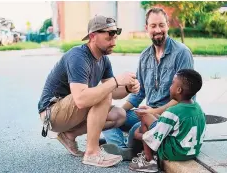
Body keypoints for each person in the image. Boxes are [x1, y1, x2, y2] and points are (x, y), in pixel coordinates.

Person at [38, 15, 140, 168]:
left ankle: (69, 135)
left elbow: (114, 90)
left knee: (119, 115)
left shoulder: (104, 60)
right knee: (103, 93)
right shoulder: (78, 56)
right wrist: (116, 81)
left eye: (115, 36)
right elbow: (81, 100)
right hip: (51, 113)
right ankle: (92, 153)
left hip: (71, 112)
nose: (113, 42)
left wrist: (126, 88)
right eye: (109, 37)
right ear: (92, 36)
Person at [101, 7, 194, 160]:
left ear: (167, 25)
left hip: (170, 116)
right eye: (153, 26)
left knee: (134, 131)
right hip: (148, 113)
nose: (158, 30)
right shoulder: (145, 56)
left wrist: (153, 112)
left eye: (161, 25)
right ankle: (123, 148)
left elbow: (182, 99)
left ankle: (124, 148)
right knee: (106, 116)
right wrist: (119, 113)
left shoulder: (182, 53)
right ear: (146, 28)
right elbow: (140, 93)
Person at [129, 69, 206, 172]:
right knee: (150, 115)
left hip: (174, 152)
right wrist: (153, 113)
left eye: (172, 83)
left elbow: (154, 136)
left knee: (145, 116)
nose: (170, 86)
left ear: (179, 90)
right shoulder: (198, 108)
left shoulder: (173, 111)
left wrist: (140, 136)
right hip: (191, 152)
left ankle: (149, 161)